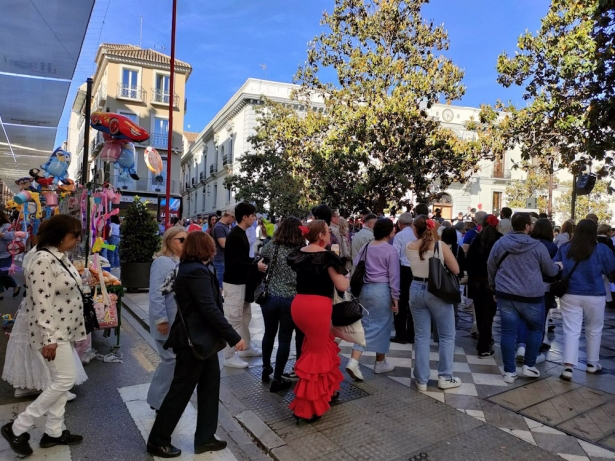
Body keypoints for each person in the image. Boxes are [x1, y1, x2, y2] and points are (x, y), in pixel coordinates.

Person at [146, 232, 246, 458]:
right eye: (211, 246)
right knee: (180, 391)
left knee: (210, 387)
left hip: (203, 341)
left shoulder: (195, 269)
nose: (215, 250)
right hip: (193, 341)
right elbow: (208, 309)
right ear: (205, 248)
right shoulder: (195, 272)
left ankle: (205, 437)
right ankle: (158, 440)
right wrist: (234, 337)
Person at [2, 215, 85, 457]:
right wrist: (48, 338)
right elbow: (41, 302)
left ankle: (54, 432)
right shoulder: (42, 260)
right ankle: (17, 427)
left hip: (64, 330)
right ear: (59, 236)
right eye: (74, 235)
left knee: (58, 381)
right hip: (52, 332)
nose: (78, 239)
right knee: (64, 381)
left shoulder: (60, 257)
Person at [2, 242, 87, 400]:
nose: (75, 241)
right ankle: (52, 388)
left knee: (27, 347)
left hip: (30, 309)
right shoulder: (43, 257)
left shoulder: (37, 253)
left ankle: (25, 386)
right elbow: (39, 292)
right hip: (42, 311)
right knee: (45, 349)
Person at [487, 212, 561, 384]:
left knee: (508, 332)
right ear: (527, 226)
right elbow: (550, 270)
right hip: (532, 296)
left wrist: (493, 288)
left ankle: (509, 371)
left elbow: (491, 266)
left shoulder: (501, 243)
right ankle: (529, 365)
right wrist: (558, 267)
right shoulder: (537, 246)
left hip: (505, 293)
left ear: (513, 225)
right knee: (536, 328)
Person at [287, 220, 348, 422]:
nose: (330, 235)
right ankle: (306, 408)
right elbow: (342, 285)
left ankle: (327, 391)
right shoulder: (327, 256)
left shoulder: (299, 253)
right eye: (328, 232)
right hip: (317, 308)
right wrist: (347, 274)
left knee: (320, 345)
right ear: (321, 235)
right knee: (316, 352)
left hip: (299, 306)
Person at [555, 219, 615, 381]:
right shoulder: (602, 249)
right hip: (595, 293)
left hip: (570, 293)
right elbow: (611, 269)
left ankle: (568, 367)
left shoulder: (566, 248)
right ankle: (592, 364)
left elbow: (556, 267)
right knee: (594, 328)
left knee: (571, 329)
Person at [406, 215, 461, 391]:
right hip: (437, 290)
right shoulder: (440, 245)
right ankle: (445, 376)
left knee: (421, 336)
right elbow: (456, 269)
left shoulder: (409, 247)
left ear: (415, 229)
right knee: (446, 335)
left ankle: (421, 380)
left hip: (415, 288)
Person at [346, 219, 400, 380]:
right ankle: (355, 361)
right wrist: (396, 297)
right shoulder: (390, 251)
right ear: (389, 232)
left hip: (365, 289)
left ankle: (380, 361)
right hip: (382, 290)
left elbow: (356, 263)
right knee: (381, 326)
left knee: (371, 325)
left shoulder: (367, 246)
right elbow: (394, 276)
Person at [259, 217, 305, 392]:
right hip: (291, 299)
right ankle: (277, 378)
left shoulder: (272, 246)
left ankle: (265, 368)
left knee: (268, 334)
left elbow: (261, 263)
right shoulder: (301, 250)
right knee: (285, 338)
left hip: (270, 297)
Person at [222, 203, 267, 368]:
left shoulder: (240, 234)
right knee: (234, 318)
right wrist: (255, 266)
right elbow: (235, 263)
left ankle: (245, 346)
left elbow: (242, 260)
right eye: (253, 215)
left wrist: (254, 262)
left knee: (244, 317)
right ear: (245, 217)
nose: (255, 218)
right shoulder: (235, 235)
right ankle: (229, 356)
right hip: (234, 283)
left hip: (242, 282)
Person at [146, 227, 186, 411]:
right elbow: (156, 294)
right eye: (181, 240)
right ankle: (157, 400)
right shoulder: (162, 262)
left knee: (174, 361)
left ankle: (163, 398)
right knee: (170, 360)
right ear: (169, 241)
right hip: (166, 320)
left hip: (176, 321)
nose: (185, 244)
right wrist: (161, 319)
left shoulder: (179, 261)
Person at [466, 214, 502, 357]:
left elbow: (468, 260)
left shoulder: (477, 239)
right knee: (489, 314)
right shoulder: (500, 239)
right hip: (492, 281)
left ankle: (485, 340)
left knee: (480, 313)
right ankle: (484, 345)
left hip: (476, 281)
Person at [391, 212, 416, 344]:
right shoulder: (416, 234)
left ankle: (401, 334)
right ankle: (412, 334)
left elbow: (395, 254)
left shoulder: (399, 236)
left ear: (400, 224)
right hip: (416, 270)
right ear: (411, 223)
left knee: (401, 301)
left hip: (403, 270)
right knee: (413, 303)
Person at [0, 210, 20, 298]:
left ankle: (15, 286)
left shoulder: (7, 226)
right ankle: (0, 293)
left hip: (5, 254)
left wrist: (1, 235)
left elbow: (11, 236)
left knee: (2, 273)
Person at [212, 211, 234, 287]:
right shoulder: (219, 227)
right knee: (220, 286)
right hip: (220, 260)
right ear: (230, 217)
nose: (233, 222)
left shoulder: (224, 226)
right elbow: (223, 244)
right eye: (233, 219)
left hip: (223, 260)